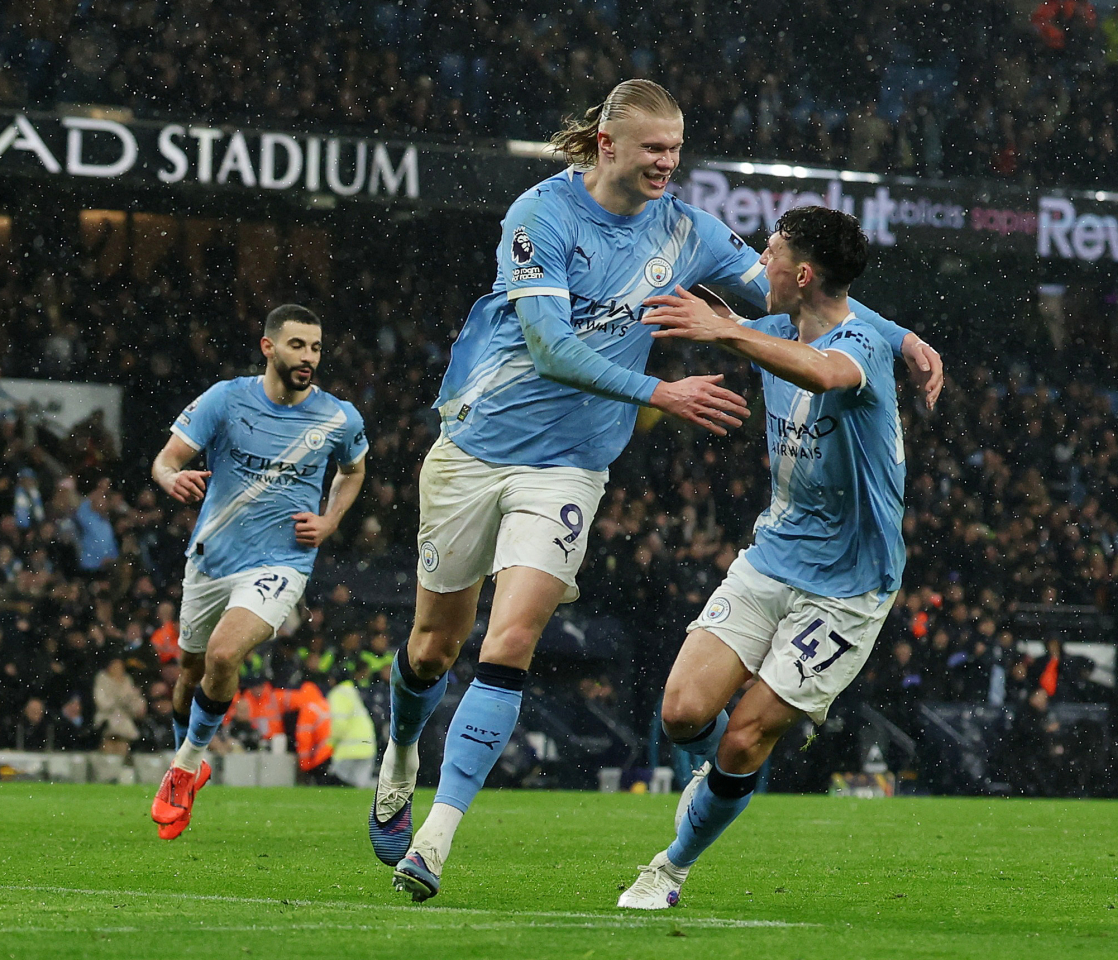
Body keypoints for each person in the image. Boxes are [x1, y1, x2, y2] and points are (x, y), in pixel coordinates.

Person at [373, 79, 941, 903]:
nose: (667, 164)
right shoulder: (541, 216)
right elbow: (549, 348)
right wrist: (661, 395)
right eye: (653, 150)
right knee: (432, 646)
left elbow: (813, 300)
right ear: (608, 145)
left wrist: (899, 333)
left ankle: (434, 841)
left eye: (676, 149)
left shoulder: (689, 230)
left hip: (570, 465)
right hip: (476, 447)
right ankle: (398, 757)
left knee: (511, 640)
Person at [614, 205, 906, 909]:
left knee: (745, 738)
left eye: (770, 253)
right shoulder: (776, 323)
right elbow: (764, 323)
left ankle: (670, 868)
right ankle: (719, 778)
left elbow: (826, 374)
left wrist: (727, 331)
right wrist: (726, 324)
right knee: (682, 714)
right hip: (773, 556)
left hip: (849, 585)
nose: (759, 264)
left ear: (802, 274)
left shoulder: (859, 343)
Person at [149, 304, 368, 839]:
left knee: (226, 654)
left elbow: (354, 470)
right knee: (191, 673)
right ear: (268, 347)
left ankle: (182, 768)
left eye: (316, 347)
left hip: (280, 563)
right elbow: (164, 459)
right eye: (298, 345)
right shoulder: (226, 399)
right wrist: (169, 479)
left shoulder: (339, 417)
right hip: (210, 558)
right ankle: (189, 754)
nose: (309, 358)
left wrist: (330, 519)